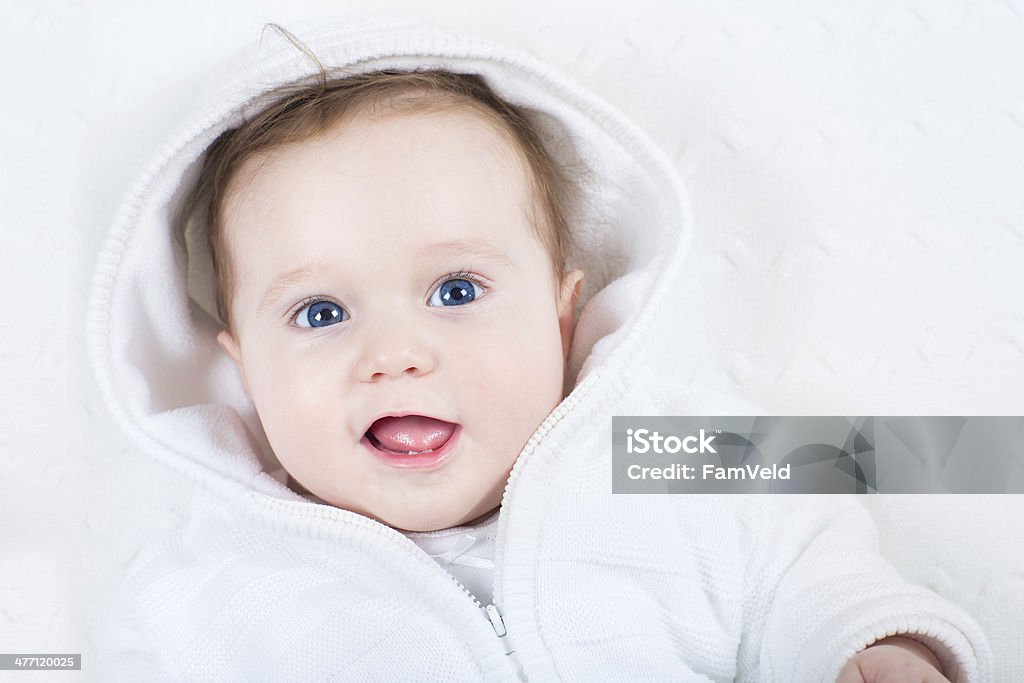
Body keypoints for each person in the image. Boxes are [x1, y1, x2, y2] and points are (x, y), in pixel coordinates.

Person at [90, 17, 992, 682]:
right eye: (321, 313)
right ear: (242, 366)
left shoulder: (668, 452)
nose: (395, 354)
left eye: (457, 292)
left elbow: (806, 560)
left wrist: (871, 640)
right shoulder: (201, 590)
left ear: (563, 319)